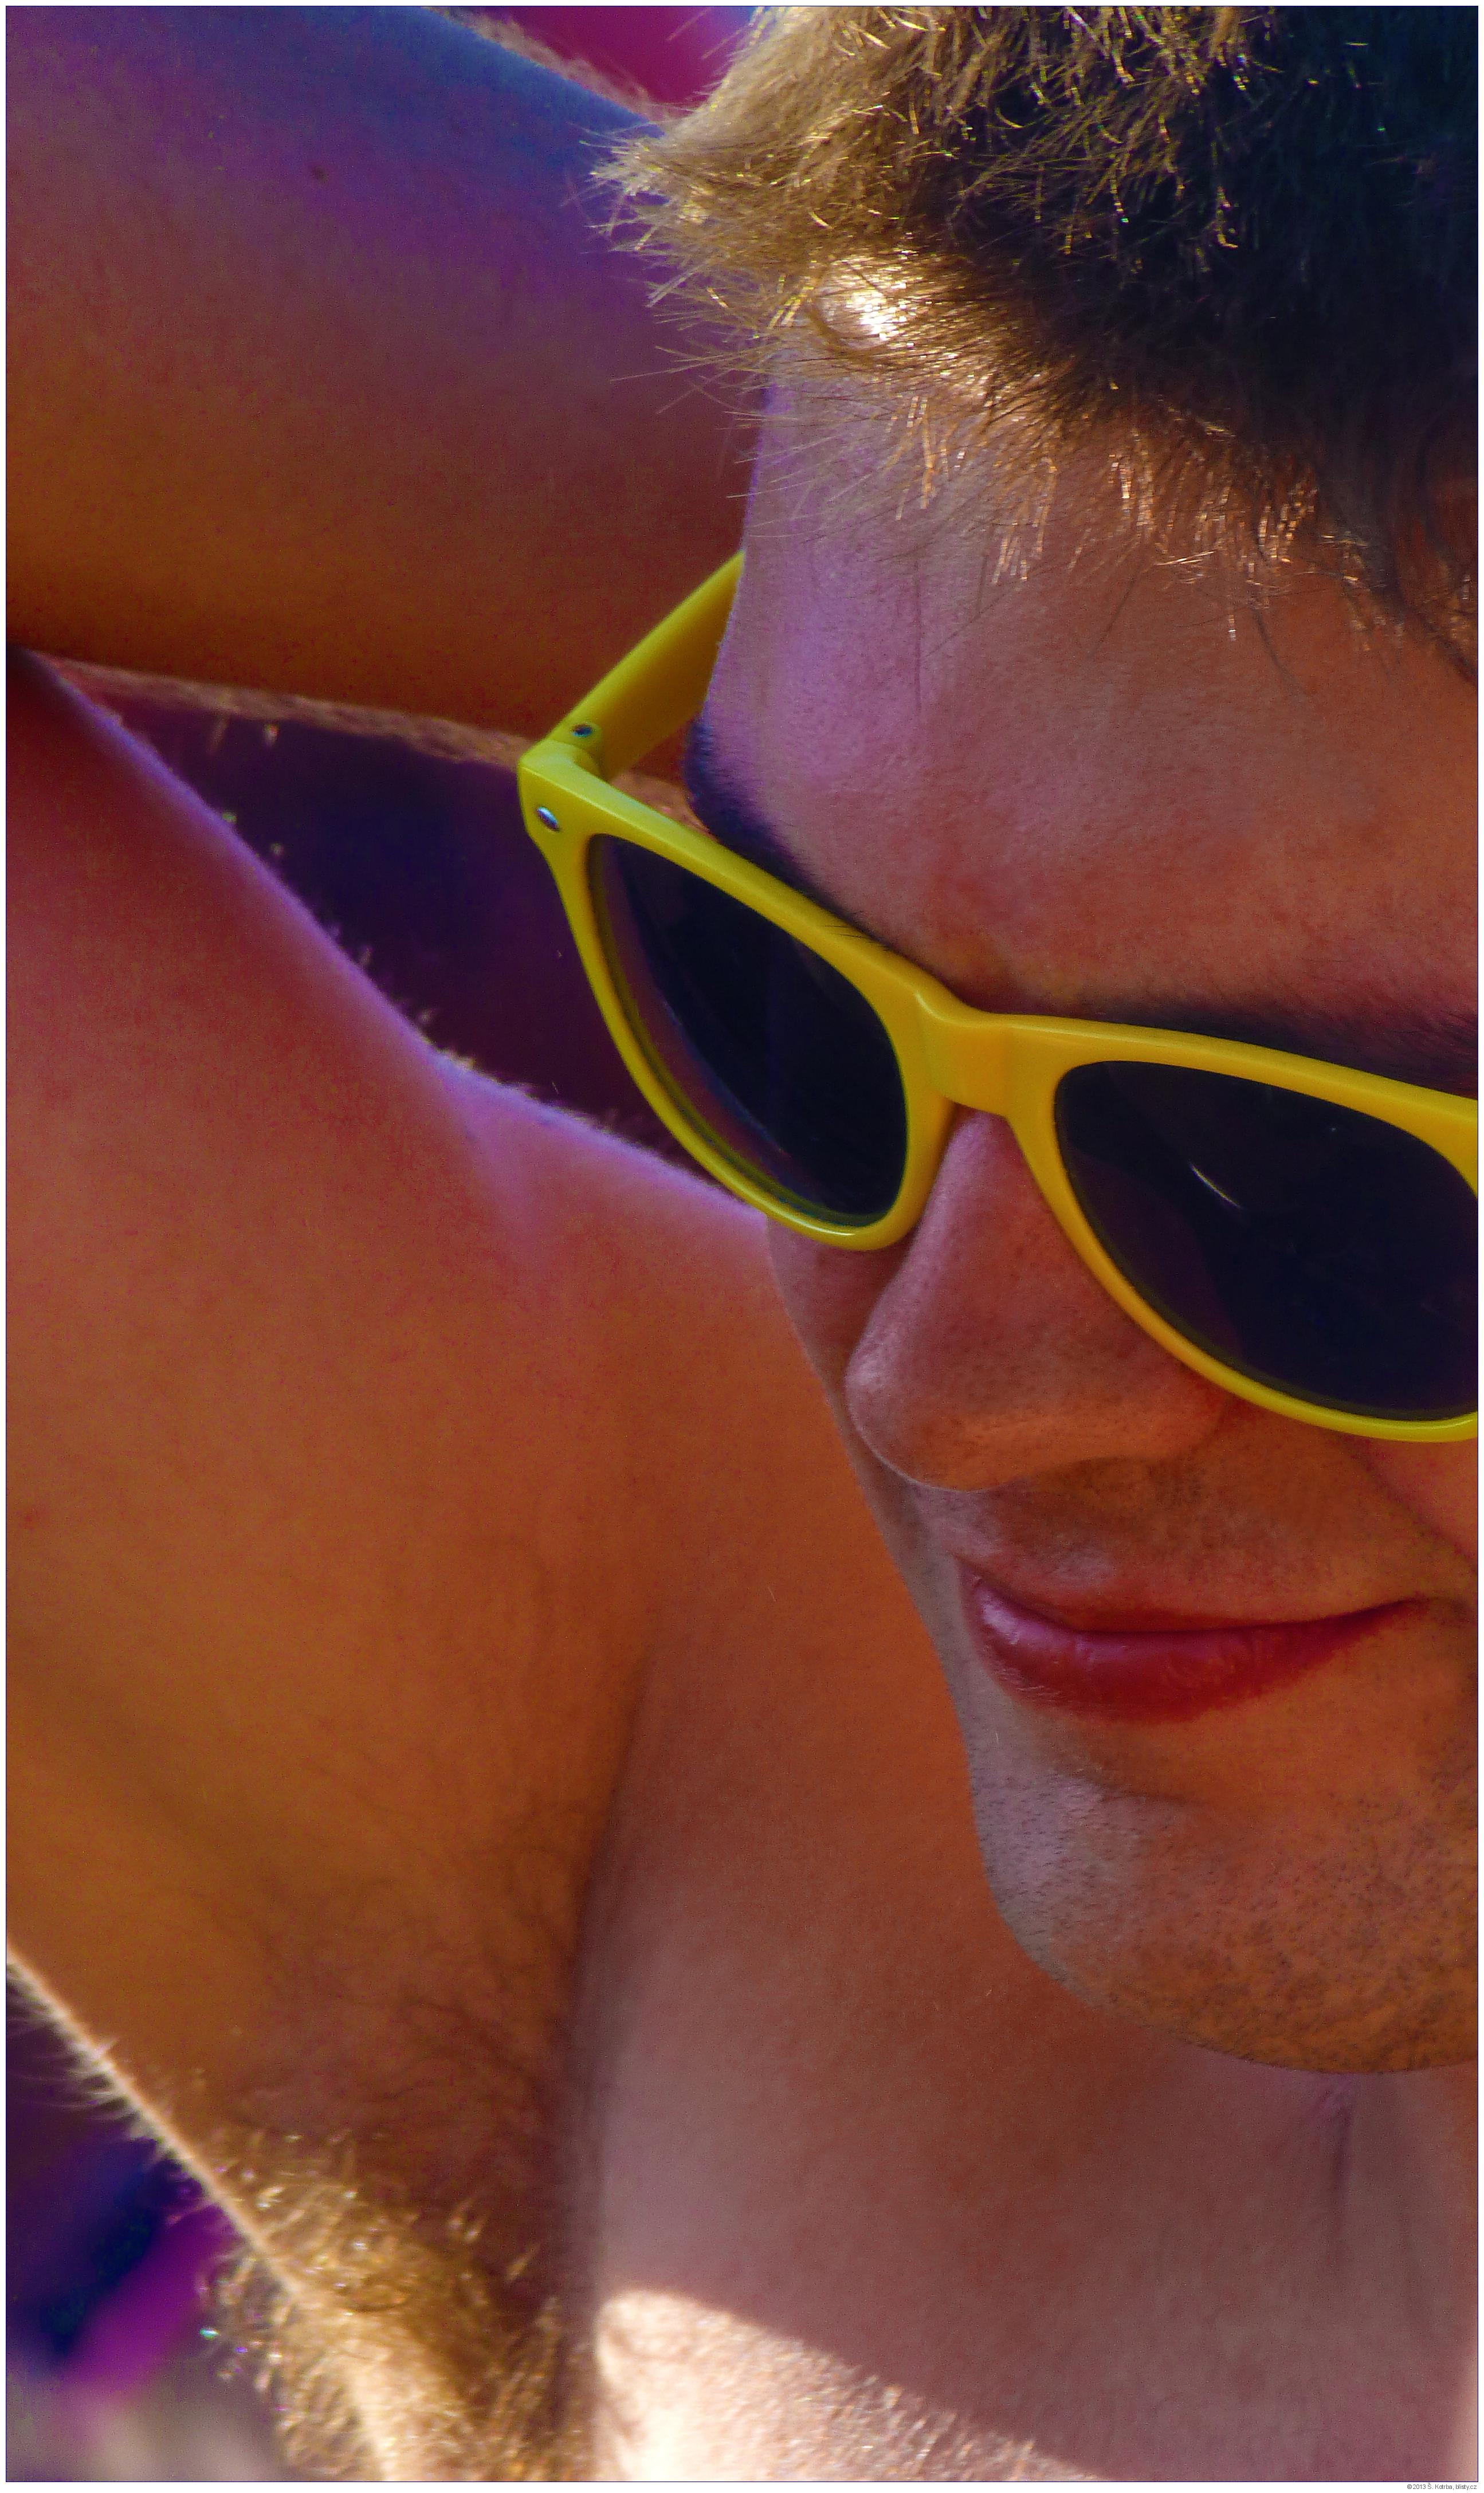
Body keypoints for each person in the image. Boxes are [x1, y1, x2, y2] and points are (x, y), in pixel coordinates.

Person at [10, 6, 1476, 2480]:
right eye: (797, 1004)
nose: (946, 1388)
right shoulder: (729, 1868)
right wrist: (979, 487)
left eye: (1296, 1183)